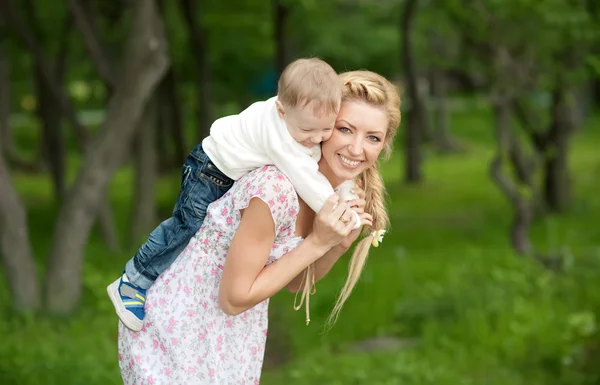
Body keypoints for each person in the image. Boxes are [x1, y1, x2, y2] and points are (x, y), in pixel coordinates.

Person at [117, 69, 401, 385]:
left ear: (384, 145)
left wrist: (337, 244)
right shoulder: (275, 188)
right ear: (321, 122)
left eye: (372, 137)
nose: (356, 148)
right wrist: (318, 243)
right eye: (345, 129)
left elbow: (295, 283)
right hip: (181, 325)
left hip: (232, 334)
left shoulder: (330, 194)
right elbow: (234, 298)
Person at [107, 58, 362, 332]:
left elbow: (312, 167)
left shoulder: (299, 117)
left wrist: (344, 186)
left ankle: (165, 286)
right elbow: (306, 177)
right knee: (186, 224)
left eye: (326, 129)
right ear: (281, 109)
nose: (315, 138)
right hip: (209, 169)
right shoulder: (278, 138)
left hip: (230, 173)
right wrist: (340, 212)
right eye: (308, 131)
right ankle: (134, 279)